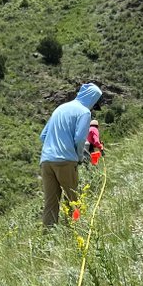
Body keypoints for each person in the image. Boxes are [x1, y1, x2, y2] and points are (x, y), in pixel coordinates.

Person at [38, 82, 102, 225]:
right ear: (92, 99)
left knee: (51, 202)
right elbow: (80, 138)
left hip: (46, 161)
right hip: (65, 160)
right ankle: (73, 230)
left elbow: (43, 136)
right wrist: (79, 156)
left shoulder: (60, 108)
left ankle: (47, 238)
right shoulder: (84, 112)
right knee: (73, 200)